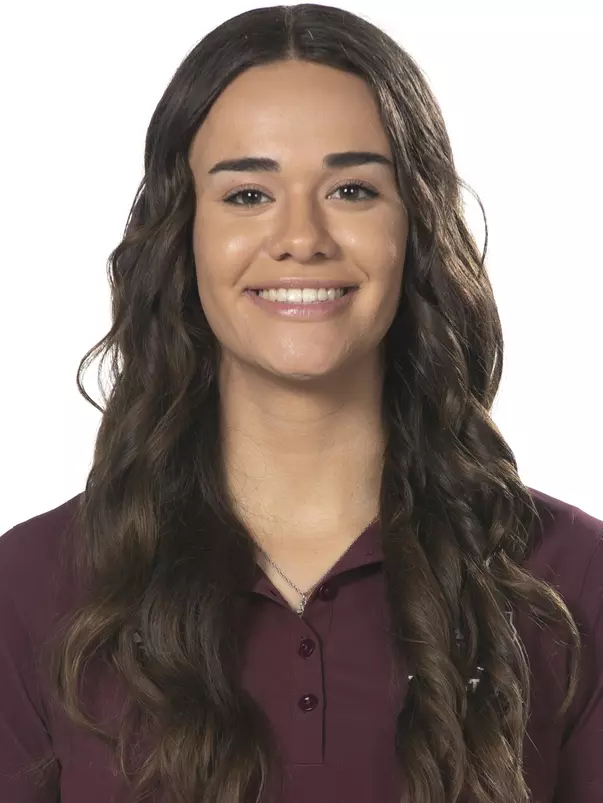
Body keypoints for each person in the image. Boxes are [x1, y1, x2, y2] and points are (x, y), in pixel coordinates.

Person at [1, 4, 601, 803]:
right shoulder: (31, 586)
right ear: (181, 234)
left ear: (415, 226)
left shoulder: (571, 581)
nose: (301, 237)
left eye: (352, 189)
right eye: (247, 194)